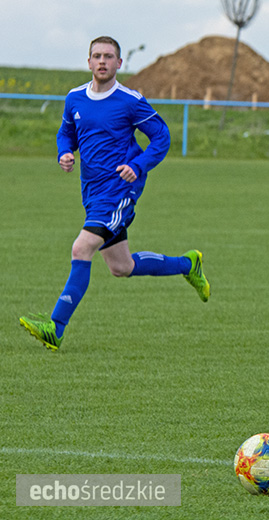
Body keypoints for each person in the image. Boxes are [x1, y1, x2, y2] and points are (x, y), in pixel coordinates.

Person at [19, 36, 210, 351]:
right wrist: (64, 152)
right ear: (89, 61)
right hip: (92, 192)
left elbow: (161, 137)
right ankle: (187, 265)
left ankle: (56, 327)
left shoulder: (130, 101)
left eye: (109, 56)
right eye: (97, 56)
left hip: (120, 189)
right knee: (121, 267)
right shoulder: (75, 98)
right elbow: (66, 133)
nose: (102, 61)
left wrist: (138, 165)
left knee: (81, 248)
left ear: (119, 63)